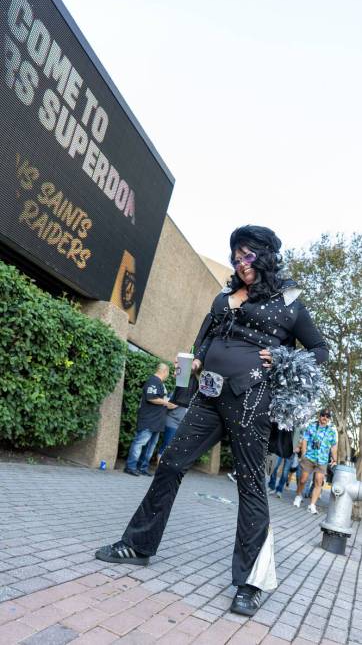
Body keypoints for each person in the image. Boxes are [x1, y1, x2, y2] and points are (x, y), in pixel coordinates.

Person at [95, 225, 328, 616]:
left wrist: (285, 360)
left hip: (252, 399)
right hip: (208, 396)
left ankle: (250, 582)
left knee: (252, 485)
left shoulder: (289, 301)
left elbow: (320, 350)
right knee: (170, 463)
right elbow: (207, 335)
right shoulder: (224, 295)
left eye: (248, 255)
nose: (240, 262)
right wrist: (197, 358)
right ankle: (138, 545)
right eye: (236, 255)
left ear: (266, 256)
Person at [124, 363, 176, 476]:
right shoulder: (153, 381)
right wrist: (166, 402)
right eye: (168, 372)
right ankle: (130, 467)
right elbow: (151, 398)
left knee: (150, 446)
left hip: (157, 421)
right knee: (140, 443)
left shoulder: (160, 384)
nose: (168, 375)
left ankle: (143, 468)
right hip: (148, 419)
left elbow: (159, 398)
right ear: (164, 371)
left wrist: (167, 403)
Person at [293, 409, 337, 514]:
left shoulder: (331, 431)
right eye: (323, 415)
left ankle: (312, 505)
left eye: (327, 416)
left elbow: (334, 446)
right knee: (303, 480)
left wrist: (335, 459)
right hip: (309, 457)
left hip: (322, 460)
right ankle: (299, 496)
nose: (325, 417)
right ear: (319, 416)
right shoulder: (311, 427)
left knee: (318, 481)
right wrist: (303, 455)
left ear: (329, 419)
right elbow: (304, 440)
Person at [268, 427, 303, 497]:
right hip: (280, 446)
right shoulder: (285, 418)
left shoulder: (299, 422)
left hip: (291, 450)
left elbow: (302, 436)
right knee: (274, 467)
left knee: (285, 472)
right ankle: (272, 485)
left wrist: (298, 446)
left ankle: (279, 489)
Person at [157, 392, 189, 462]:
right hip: (172, 421)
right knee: (167, 445)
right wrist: (179, 401)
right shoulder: (178, 392)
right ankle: (159, 470)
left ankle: (167, 468)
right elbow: (169, 405)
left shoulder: (191, 395)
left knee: (175, 448)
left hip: (182, 424)